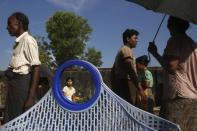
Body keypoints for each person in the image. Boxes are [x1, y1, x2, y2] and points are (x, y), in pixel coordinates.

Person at [148, 16, 197, 131]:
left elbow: (171, 66)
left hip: (177, 99)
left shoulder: (175, 40)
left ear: (171, 26)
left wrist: (155, 53)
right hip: (193, 98)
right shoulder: (193, 44)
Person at [4, 12, 41, 123]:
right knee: (11, 119)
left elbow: (36, 67)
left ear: (19, 24)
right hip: (15, 85)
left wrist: (31, 97)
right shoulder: (19, 43)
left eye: (9, 24)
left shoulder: (28, 40)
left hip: (22, 86)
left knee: (20, 120)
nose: (7, 27)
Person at [111, 29, 146, 105]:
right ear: (128, 39)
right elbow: (130, 69)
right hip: (126, 84)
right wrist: (140, 88)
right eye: (135, 38)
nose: (137, 40)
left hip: (122, 84)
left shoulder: (122, 50)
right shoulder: (126, 50)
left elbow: (113, 71)